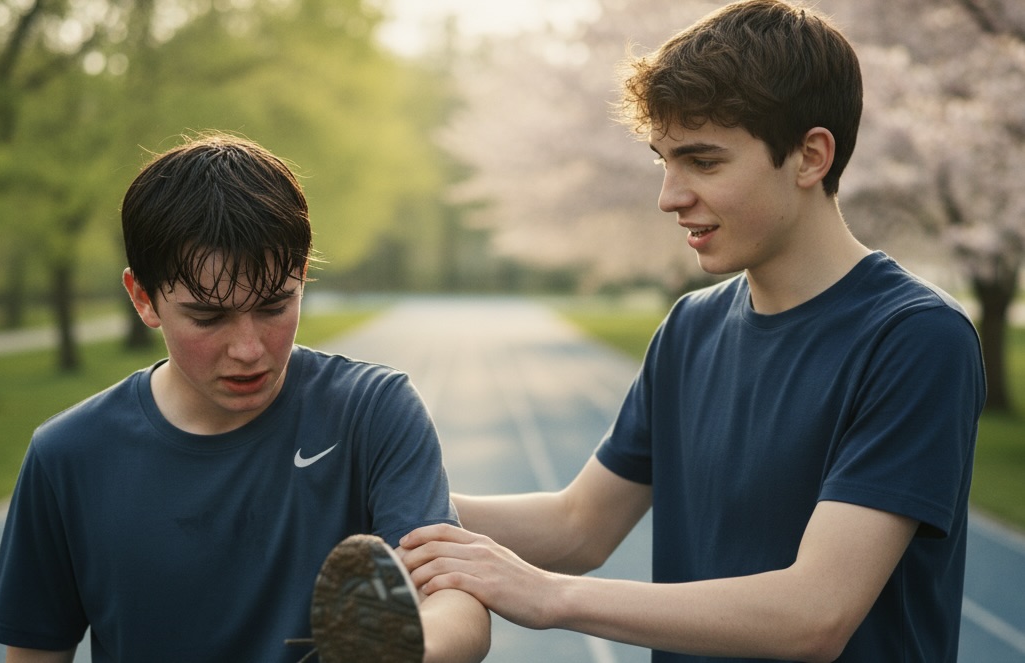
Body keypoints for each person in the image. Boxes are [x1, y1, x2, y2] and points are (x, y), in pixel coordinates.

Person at [400, 1, 985, 661]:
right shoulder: (690, 326)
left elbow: (814, 613)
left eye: (702, 162)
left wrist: (550, 596)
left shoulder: (914, 338)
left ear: (809, 156)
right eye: (662, 162)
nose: (668, 196)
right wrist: (386, 500)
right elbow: (578, 525)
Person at [0, 133, 489, 663]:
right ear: (142, 298)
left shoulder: (374, 410)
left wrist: (401, 648)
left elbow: (454, 597)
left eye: (274, 306)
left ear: (302, 280)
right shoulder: (67, 455)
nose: (248, 349)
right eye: (208, 317)